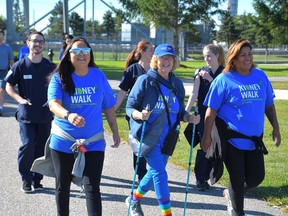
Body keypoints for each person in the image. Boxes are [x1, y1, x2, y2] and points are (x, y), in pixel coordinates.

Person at [201, 39, 281, 216]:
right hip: (231, 139)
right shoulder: (224, 79)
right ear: (233, 58)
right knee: (237, 179)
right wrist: (206, 136)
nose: (247, 58)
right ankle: (237, 210)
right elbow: (211, 111)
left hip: (254, 140)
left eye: (249, 54)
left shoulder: (260, 76)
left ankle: (230, 194)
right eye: (242, 55)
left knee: (256, 177)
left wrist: (275, 127)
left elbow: (268, 104)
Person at [46, 37, 120, 216]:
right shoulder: (59, 77)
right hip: (64, 141)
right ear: (68, 54)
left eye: (85, 51)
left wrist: (115, 131)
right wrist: (68, 115)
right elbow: (53, 103)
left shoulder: (98, 75)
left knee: (92, 187)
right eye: (76, 51)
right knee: (62, 187)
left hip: (93, 142)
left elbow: (108, 105)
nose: (81, 55)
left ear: (90, 55)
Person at [125, 44, 200, 216]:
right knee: (160, 174)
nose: (166, 61)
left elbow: (180, 112)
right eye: (162, 57)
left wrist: (190, 118)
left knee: (152, 174)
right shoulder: (145, 80)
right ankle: (167, 214)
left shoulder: (176, 84)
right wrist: (139, 114)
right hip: (148, 137)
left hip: (168, 137)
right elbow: (130, 107)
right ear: (155, 60)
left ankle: (133, 200)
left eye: (169, 58)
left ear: (174, 61)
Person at [5, 31, 56, 193]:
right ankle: (26, 179)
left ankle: (37, 178)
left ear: (44, 44)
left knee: (42, 147)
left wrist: (53, 102)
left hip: (44, 115)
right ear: (28, 43)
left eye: (40, 41)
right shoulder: (19, 65)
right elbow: (9, 85)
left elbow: (59, 88)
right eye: (34, 41)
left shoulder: (50, 67)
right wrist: (19, 100)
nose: (38, 44)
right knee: (28, 145)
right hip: (26, 115)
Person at [185, 43, 225, 191]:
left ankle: (208, 176)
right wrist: (184, 113)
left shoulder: (224, 73)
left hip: (220, 116)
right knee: (205, 145)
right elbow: (194, 94)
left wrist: (209, 79)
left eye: (209, 55)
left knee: (215, 147)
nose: (206, 59)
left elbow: (224, 91)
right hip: (203, 115)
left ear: (217, 56)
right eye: (204, 56)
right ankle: (200, 178)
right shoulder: (200, 72)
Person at [115, 40, 154, 182]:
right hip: (135, 114)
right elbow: (122, 93)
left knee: (154, 142)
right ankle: (141, 173)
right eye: (150, 50)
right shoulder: (132, 70)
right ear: (142, 52)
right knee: (138, 143)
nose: (153, 52)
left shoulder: (157, 69)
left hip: (154, 114)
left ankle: (154, 171)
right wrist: (112, 110)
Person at [0, 29, 14, 116]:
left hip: (3, 71)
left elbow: (11, 60)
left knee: (1, 90)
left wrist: (13, 72)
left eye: (1, 35)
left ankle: (0, 108)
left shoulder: (7, 47)